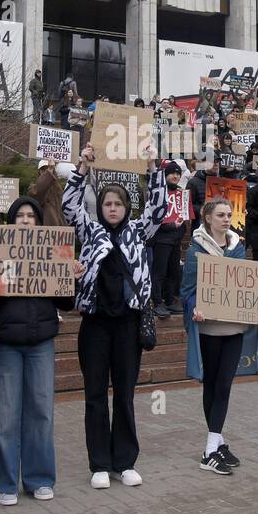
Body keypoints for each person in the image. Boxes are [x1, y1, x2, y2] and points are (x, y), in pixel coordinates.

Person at [63, 142, 166, 490]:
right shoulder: (89, 231)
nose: (112, 208)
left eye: (118, 203)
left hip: (128, 324)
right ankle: (100, 463)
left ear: (125, 207)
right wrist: (82, 168)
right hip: (94, 324)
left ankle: (125, 461)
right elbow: (69, 207)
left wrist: (153, 168)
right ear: (101, 207)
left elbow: (159, 208)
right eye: (107, 203)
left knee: (124, 393)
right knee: (94, 394)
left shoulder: (138, 231)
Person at [0, 197, 82, 504]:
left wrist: (70, 279)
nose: (26, 220)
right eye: (20, 215)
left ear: (39, 222)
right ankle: (5, 483)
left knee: (41, 412)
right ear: (11, 221)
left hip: (41, 344)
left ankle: (39, 479)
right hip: (6, 344)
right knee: (5, 415)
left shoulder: (52, 252)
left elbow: (66, 304)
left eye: (32, 215)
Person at [181, 197, 248, 474]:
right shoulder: (196, 251)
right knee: (212, 384)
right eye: (220, 214)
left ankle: (214, 444)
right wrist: (194, 306)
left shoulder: (238, 249)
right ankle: (212, 447)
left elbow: (248, 286)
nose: (226, 218)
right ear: (208, 218)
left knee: (224, 385)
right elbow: (186, 292)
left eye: (229, 214)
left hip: (233, 328)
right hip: (209, 327)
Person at [149, 161, 188, 317]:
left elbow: (185, 216)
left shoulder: (182, 193)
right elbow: (155, 217)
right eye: (172, 173)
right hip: (161, 239)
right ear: (165, 175)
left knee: (173, 272)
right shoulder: (158, 193)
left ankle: (170, 301)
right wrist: (172, 226)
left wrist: (180, 228)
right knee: (159, 272)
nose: (175, 176)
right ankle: (157, 302)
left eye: (178, 173)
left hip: (176, 240)